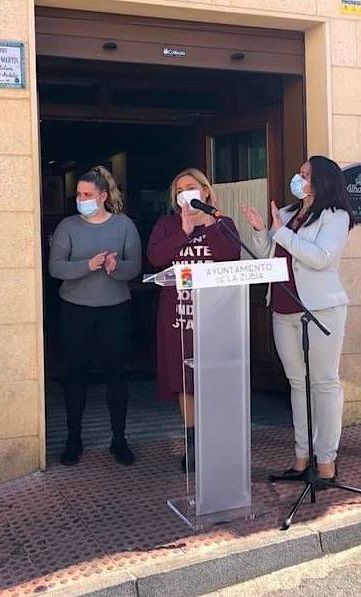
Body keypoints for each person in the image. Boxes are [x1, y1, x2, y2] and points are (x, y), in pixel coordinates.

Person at [241, 155, 355, 486]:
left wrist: (281, 233)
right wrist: (262, 230)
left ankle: (326, 463)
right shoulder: (289, 214)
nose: (298, 178)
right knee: (297, 383)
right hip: (282, 308)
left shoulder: (336, 216)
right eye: (300, 173)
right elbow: (269, 255)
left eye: (305, 174)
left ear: (322, 180)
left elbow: (320, 258)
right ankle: (301, 458)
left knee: (323, 383)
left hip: (319, 310)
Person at [147, 168, 241, 471]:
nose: (184, 193)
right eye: (178, 190)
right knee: (184, 382)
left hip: (215, 317)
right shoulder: (167, 224)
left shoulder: (223, 223)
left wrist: (209, 225)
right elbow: (156, 257)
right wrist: (183, 231)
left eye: (190, 187)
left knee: (213, 379)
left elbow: (231, 257)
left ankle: (215, 441)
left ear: (205, 191)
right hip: (178, 316)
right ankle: (193, 443)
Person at [48, 166, 142, 466]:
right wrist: (87, 266)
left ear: (103, 196)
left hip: (115, 309)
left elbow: (135, 267)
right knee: (76, 375)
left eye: (87, 194)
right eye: (79, 194)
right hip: (75, 309)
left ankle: (119, 439)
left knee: (116, 375)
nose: (81, 199)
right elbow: (55, 268)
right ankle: (73, 439)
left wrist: (116, 267)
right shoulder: (67, 227)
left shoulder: (124, 226)